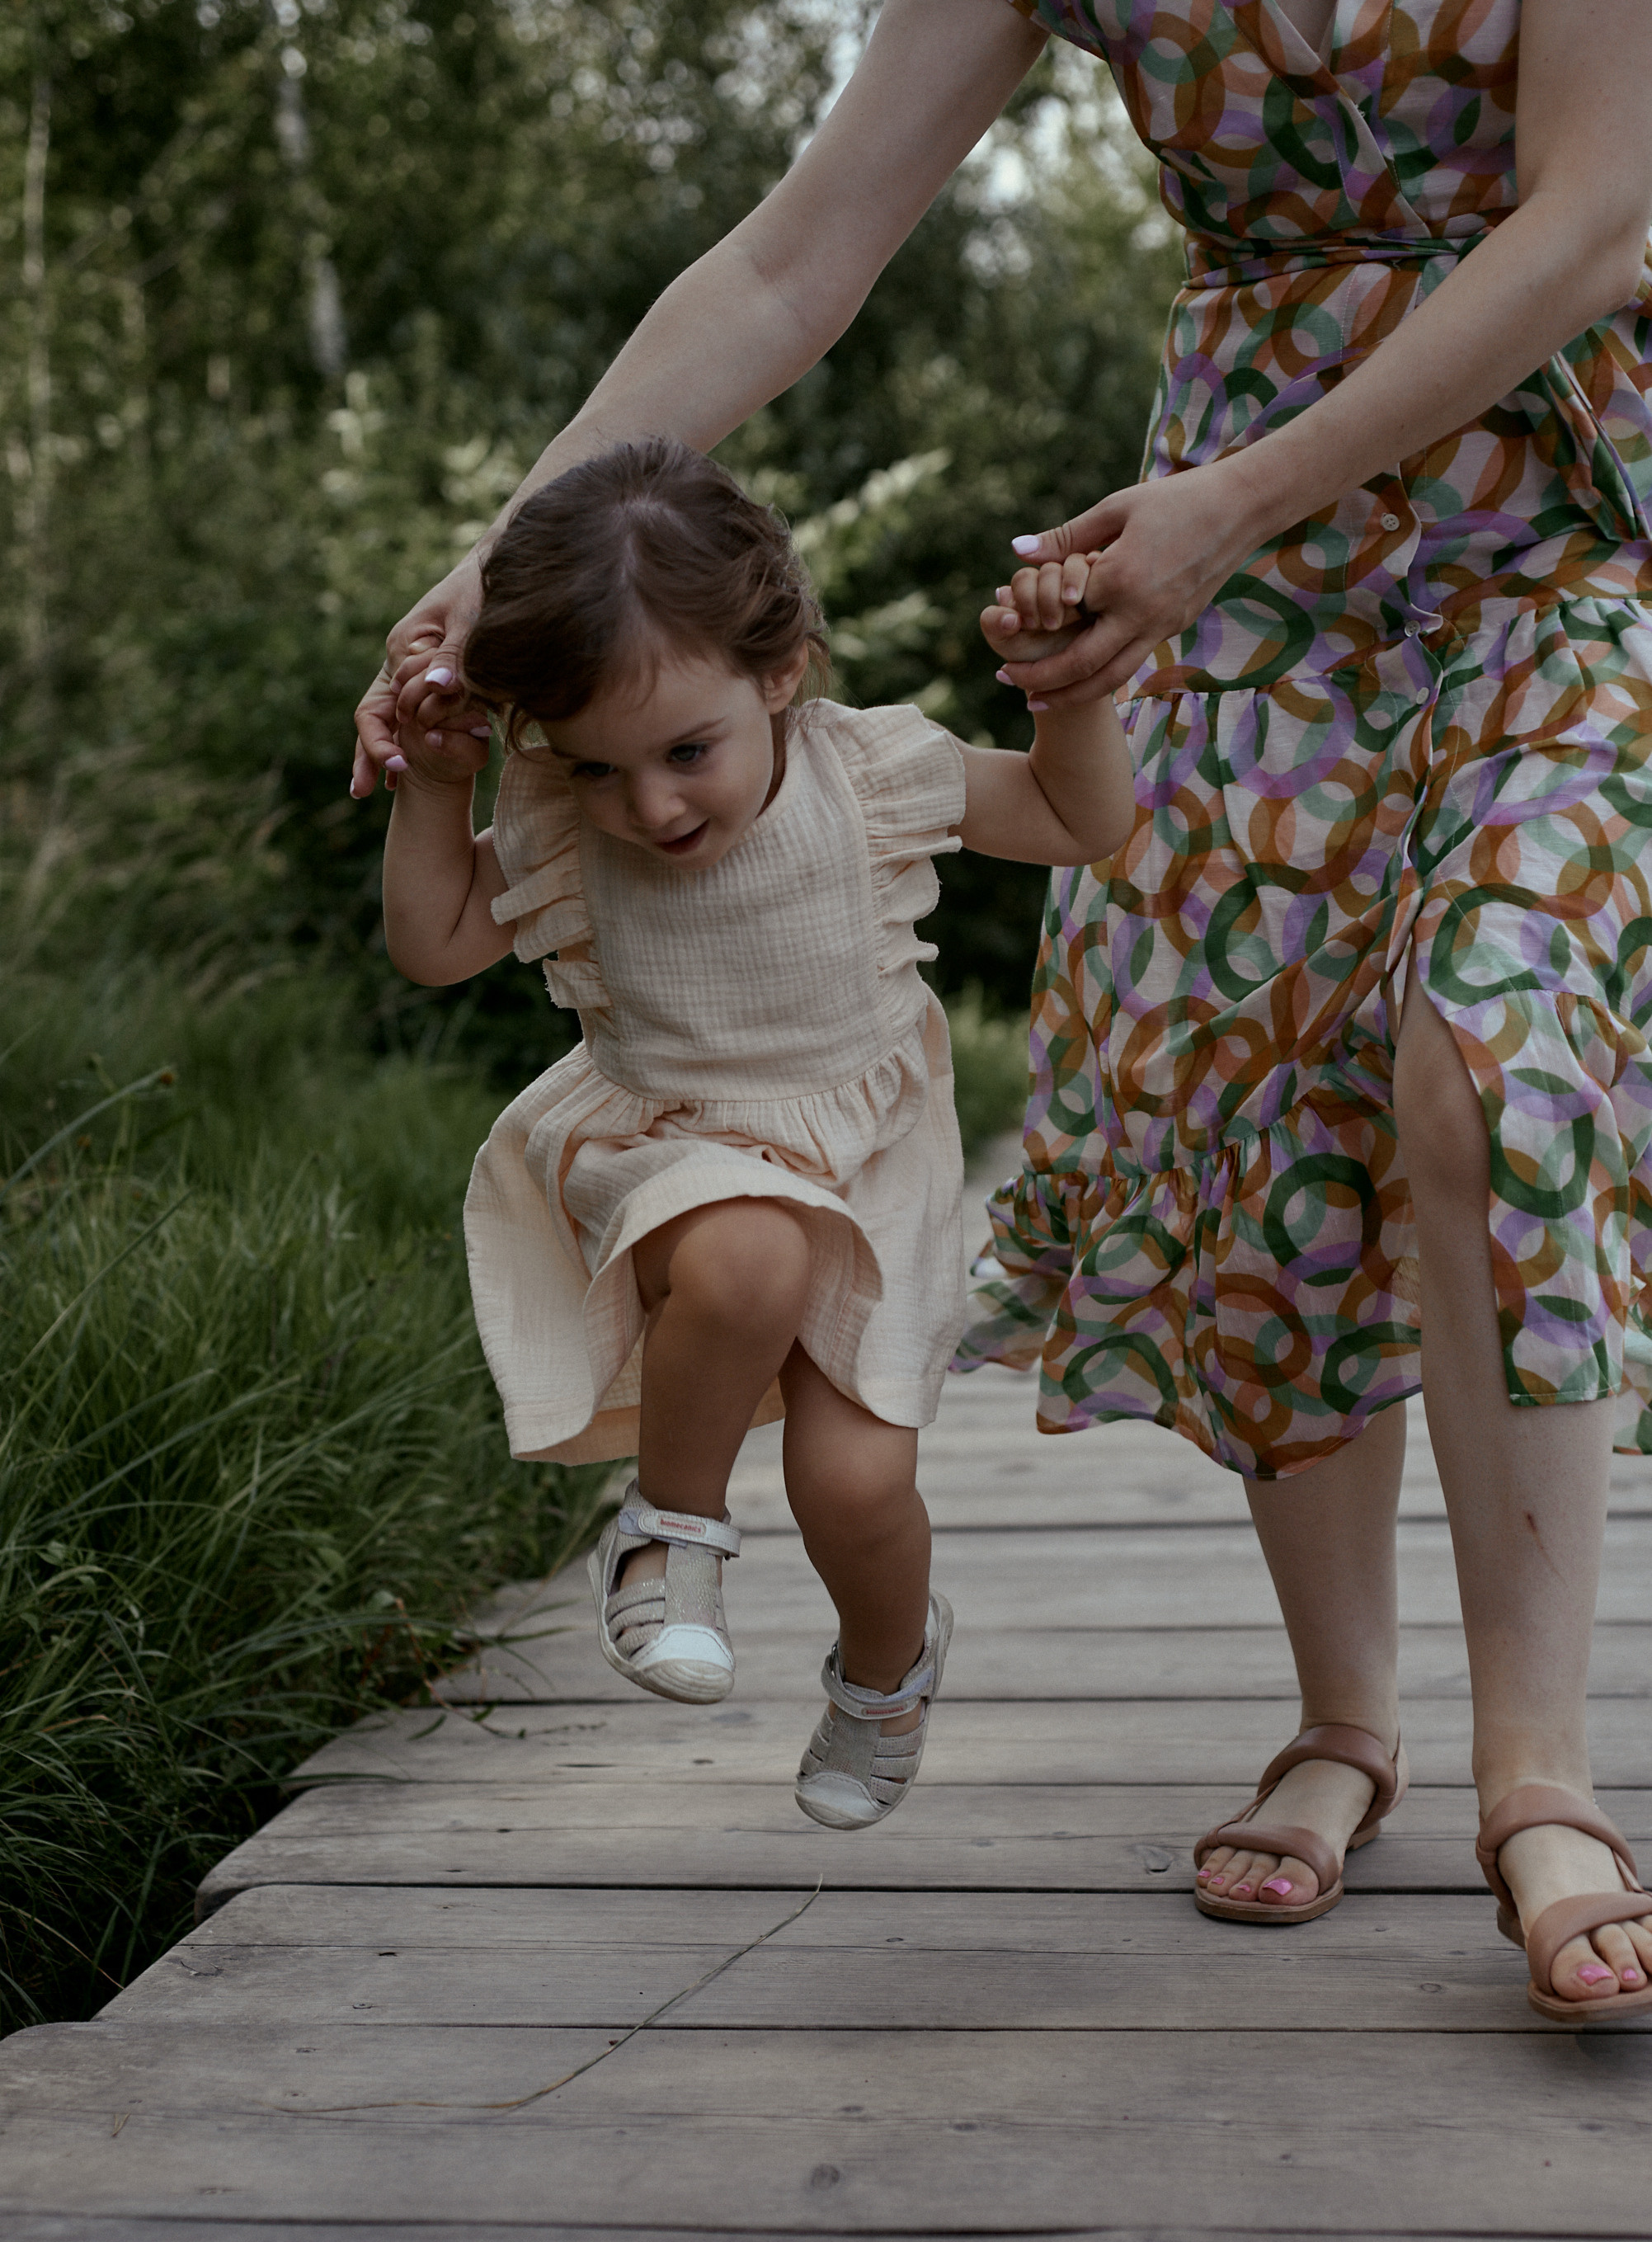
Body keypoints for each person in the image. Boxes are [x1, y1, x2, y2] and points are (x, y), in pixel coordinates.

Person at [356, 0, 1652, 2014]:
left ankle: (1539, 1773)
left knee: (1492, 1058)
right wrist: (501, 561)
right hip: (1241, 582)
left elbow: (1593, 218)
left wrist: (1236, 502)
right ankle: (1344, 1719)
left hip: (1551, 530)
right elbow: (794, 258)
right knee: (1269, 1096)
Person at [379, 437, 1133, 1830]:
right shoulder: (566, 822)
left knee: (858, 1488)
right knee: (748, 1257)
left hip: (869, 1156)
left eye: (686, 753)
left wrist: (1066, 691)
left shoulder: (872, 774)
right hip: (673, 1144)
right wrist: (435, 788)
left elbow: (1077, 818)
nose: (650, 806)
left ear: (779, 671)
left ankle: (886, 1676)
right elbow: (434, 944)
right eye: (597, 769)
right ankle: (669, 1534)